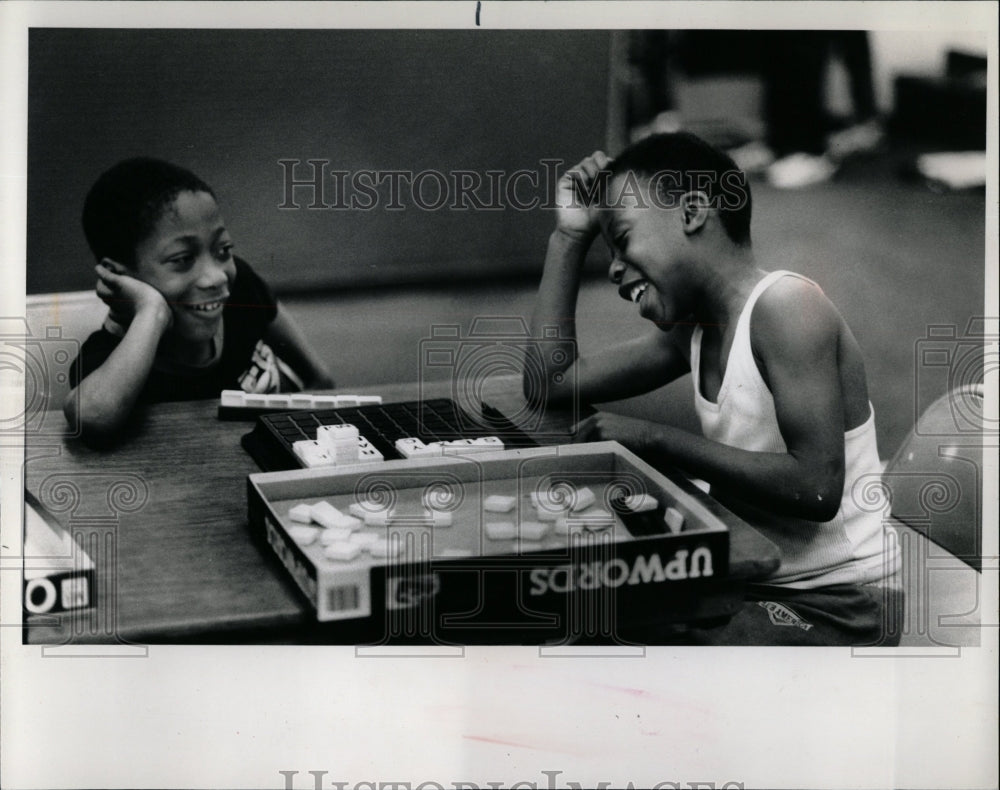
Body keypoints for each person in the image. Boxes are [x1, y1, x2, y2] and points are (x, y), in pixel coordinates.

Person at [525, 132, 900, 645]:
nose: (612, 267)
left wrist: (658, 440)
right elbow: (551, 383)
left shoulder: (789, 307)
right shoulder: (693, 334)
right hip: (753, 582)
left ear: (692, 212)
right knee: (582, 623)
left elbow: (817, 487)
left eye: (624, 237)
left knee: (631, 657)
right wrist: (568, 237)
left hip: (840, 601)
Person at [66, 157, 333, 441]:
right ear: (116, 276)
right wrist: (151, 312)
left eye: (223, 250)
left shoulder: (241, 284)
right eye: (182, 259)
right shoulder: (109, 360)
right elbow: (93, 417)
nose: (217, 277)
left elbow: (321, 378)